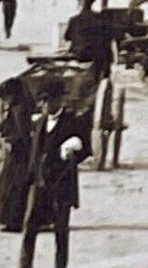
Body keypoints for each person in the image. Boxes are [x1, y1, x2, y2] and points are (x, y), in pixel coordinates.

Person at [18, 77, 90, 268]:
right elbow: (33, 155)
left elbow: (86, 149)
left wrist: (72, 151)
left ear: (59, 101)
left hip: (60, 186)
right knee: (29, 228)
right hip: (39, 184)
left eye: (47, 100)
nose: (43, 105)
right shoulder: (39, 122)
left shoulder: (72, 123)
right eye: (42, 101)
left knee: (60, 233)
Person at [0, 79, 32, 233]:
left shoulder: (18, 109)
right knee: (13, 188)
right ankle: (12, 220)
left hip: (18, 155)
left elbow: (22, 133)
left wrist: (9, 138)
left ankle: (13, 221)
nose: (4, 99)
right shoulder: (18, 107)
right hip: (18, 153)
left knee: (14, 188)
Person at [63, 0, 110, 79]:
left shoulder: (74, 20)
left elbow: (67, 37)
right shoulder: (100, 18)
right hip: (95, 56)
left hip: (78, 56)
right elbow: (106, 37)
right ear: (92, 3)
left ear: (80, 3)